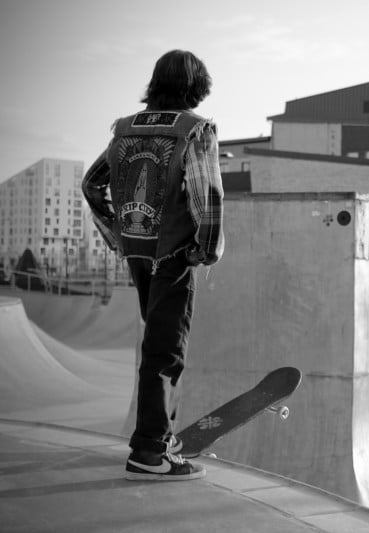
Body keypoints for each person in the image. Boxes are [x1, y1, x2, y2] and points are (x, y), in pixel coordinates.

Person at [82, 50, 224, 481]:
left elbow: (92, 183)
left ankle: (151, 440)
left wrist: (116, 233)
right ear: (195, 86)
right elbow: (208, 196)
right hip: (175, 254)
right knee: (166, 352)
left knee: (155, 347)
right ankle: (150, 453)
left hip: (139, 253)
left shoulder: (124, 129)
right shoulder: (195, 130)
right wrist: (207, 249)